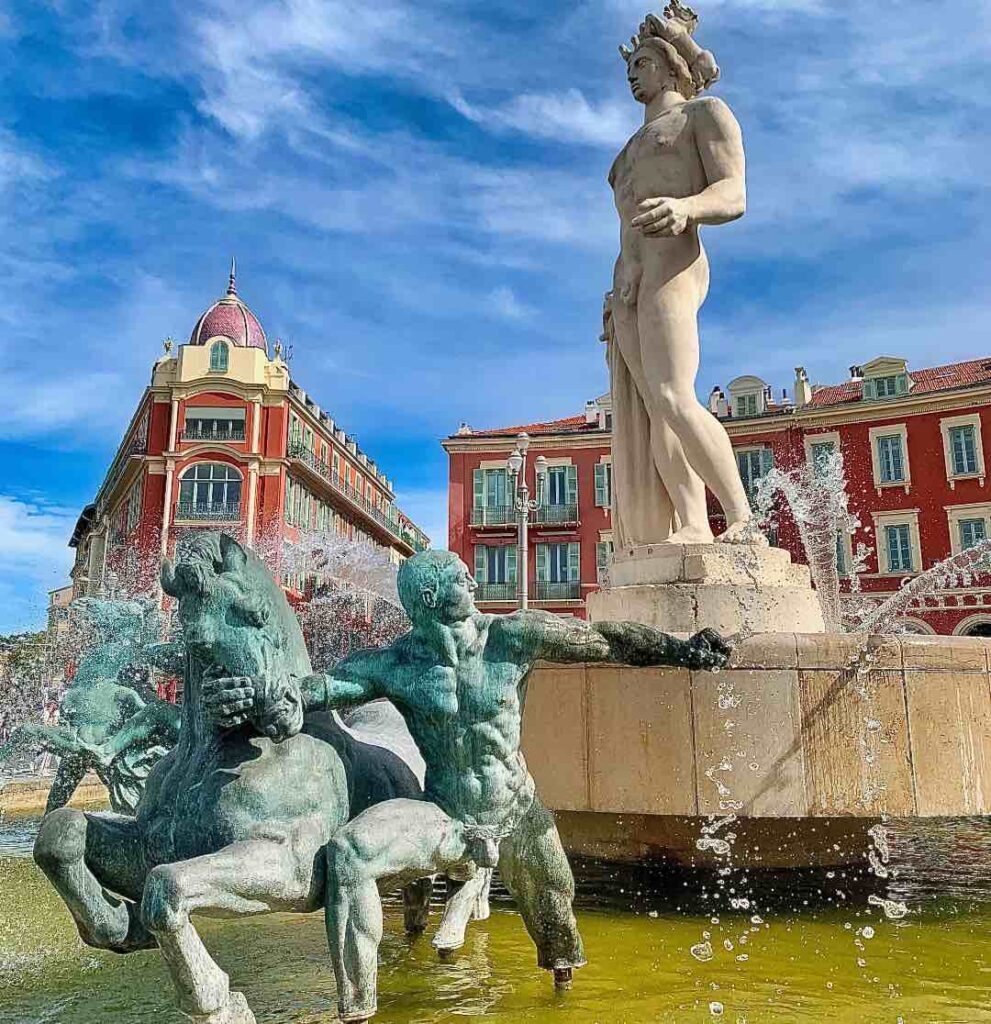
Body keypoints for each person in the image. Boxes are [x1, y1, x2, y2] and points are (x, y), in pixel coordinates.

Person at [203, 549, 732, 1022]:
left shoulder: (511, 636)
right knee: (349, 853)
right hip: (445, 814)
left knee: (558, 929)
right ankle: (356, 1009)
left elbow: (603, 640)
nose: (475, 583)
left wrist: (680, 649)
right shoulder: (396, 665)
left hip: (516, 812)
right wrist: (254, 696)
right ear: (431, 596)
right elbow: (314, 690)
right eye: (462, 577)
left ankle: (564, 1003)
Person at [606, 2, 762, 546]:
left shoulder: (705, 115)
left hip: (677, 262)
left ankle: (742, 518)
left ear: (672, 66)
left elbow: (734, 193)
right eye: (630, 65)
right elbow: (626, 226)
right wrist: (622, 274)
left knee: (675, 394)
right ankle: (693, 523)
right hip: (631, 281)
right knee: (654, 408)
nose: (632, 72)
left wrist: (687, 208)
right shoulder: (624, 155)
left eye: (643, 62)